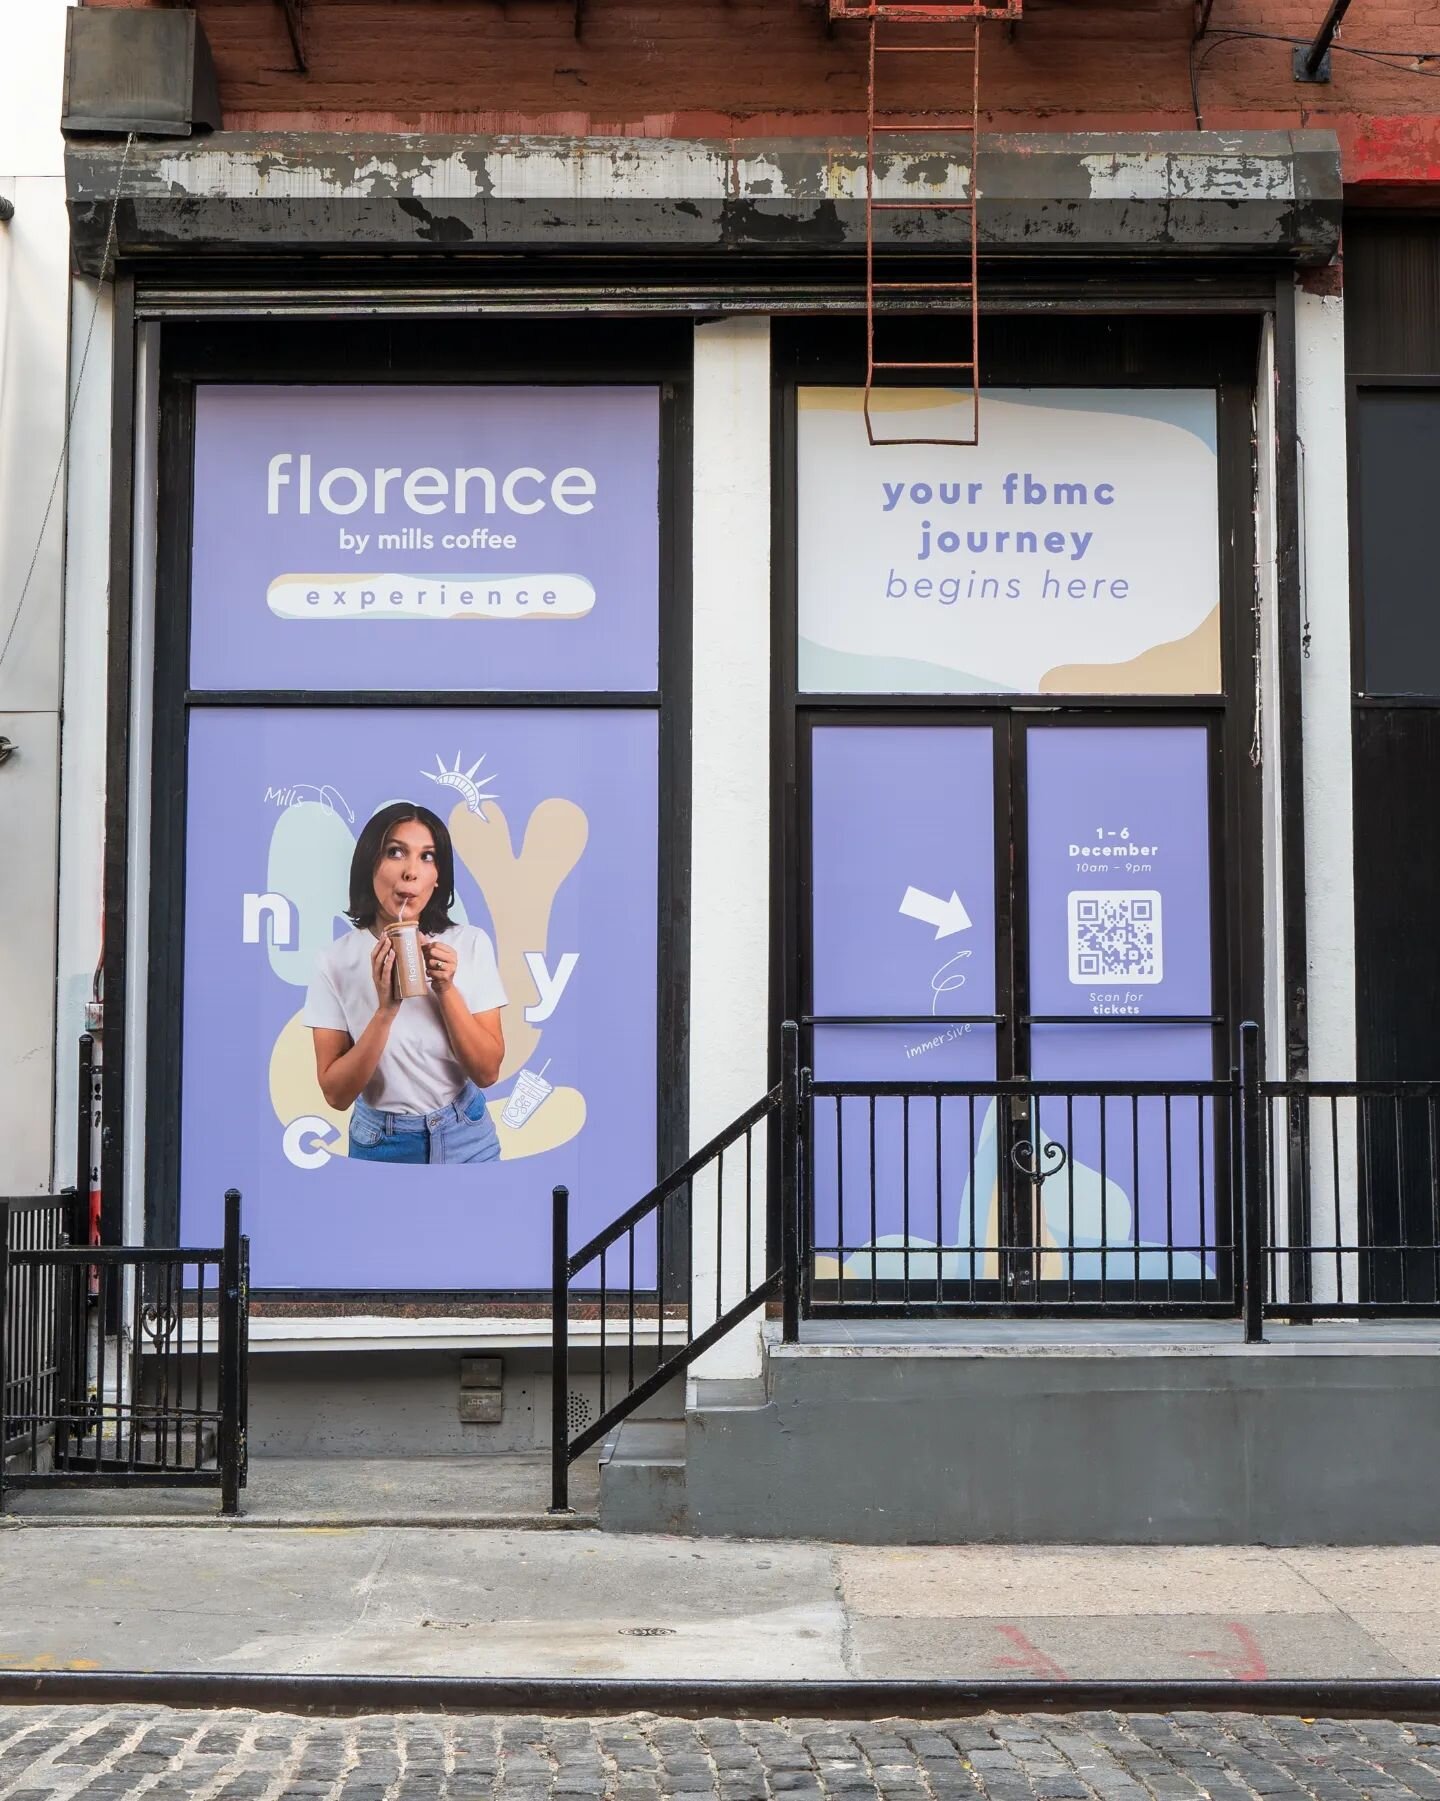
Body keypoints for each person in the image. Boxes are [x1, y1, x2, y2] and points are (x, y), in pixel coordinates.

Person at [303, 801, 506, 1164]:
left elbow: (487, 1071)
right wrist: (385, 1010)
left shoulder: (470, 943)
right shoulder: (335, 962)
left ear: (438, 876)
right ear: (369, 864)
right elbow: (335, 1094)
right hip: (381, 1140)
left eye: (427, 857)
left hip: (466, 1133)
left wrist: (446, 989)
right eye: (395, 852)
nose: (411, 871)